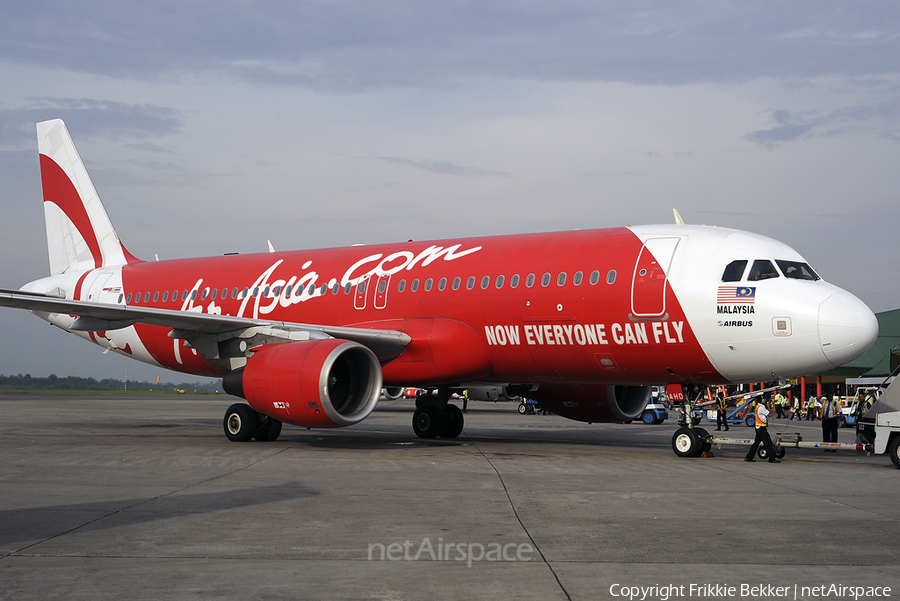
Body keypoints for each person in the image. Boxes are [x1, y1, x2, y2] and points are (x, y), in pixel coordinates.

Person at [745, 397, 779, 463]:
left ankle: (749, 457)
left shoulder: (758, 406)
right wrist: (769, 407)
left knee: (756, 443)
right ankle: (772, 458)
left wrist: (771, 404)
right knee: (768, 443)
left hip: (758, 427)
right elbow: (769, 414)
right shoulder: (761, 408)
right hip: (761, 428)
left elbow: (765, 408)